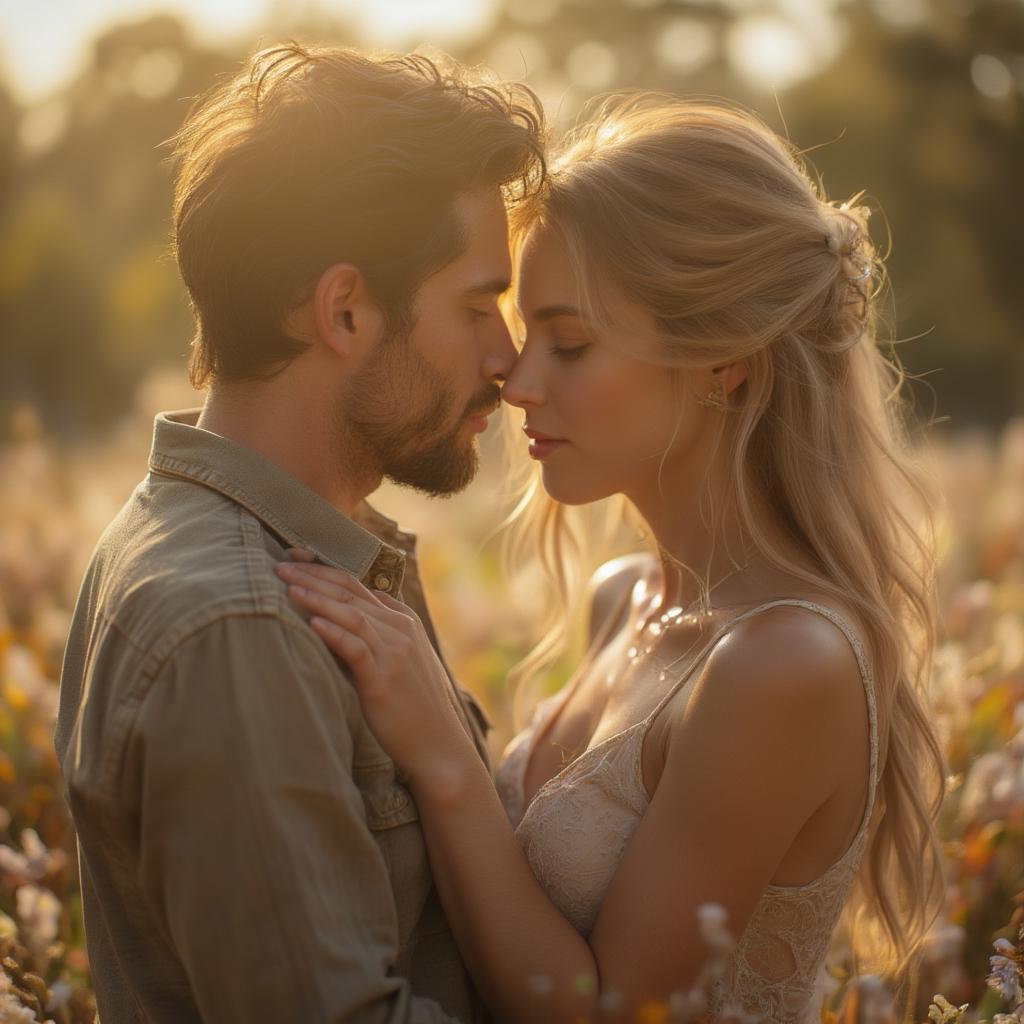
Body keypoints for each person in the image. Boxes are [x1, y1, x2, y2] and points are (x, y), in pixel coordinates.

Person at [278, 97, 948, 1024]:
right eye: (520, 331)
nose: (514, 378)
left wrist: (443, 756)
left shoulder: (784, 665)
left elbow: (608, 1015)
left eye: (572, 341)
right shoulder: (619, 599)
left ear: (726, 361)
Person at [54, 42, 545, 1023]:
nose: (507, 356)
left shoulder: (306, 555)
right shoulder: (240, 626)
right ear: (346, 309)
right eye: (477, 303)